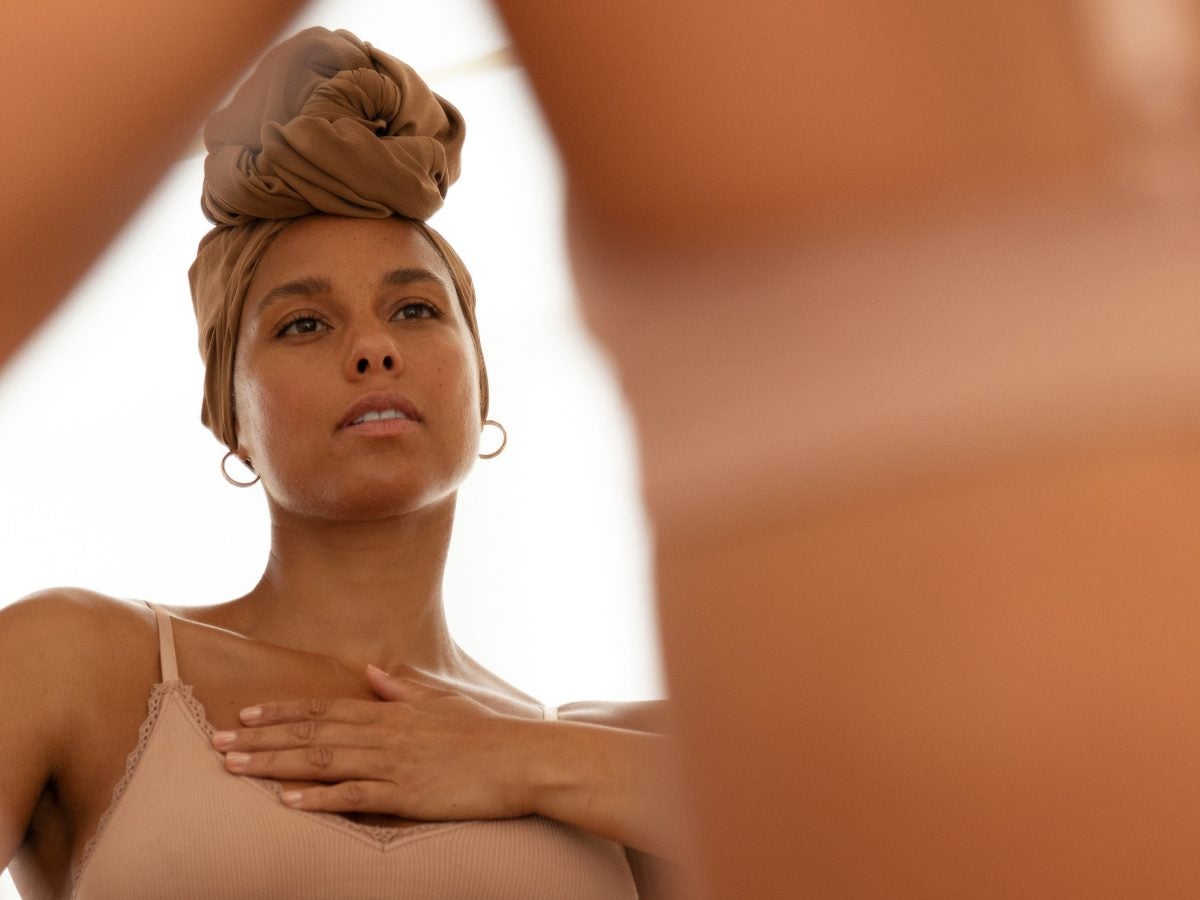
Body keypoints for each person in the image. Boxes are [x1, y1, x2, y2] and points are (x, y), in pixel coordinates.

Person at [0, 27, 680, 899]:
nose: (372, 349)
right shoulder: (77, 662)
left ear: (480, 385)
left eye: (415, 310)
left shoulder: (622, 755)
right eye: (304, 325)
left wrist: (522, 758)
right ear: (231, 421)